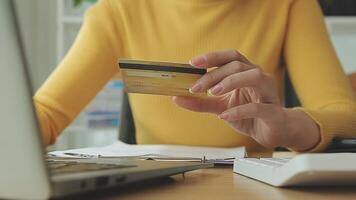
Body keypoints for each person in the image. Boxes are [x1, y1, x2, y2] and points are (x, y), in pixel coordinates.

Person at [34, 0, 356, 152]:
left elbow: (346, 116)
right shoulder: (118, 10)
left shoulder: (289, 5)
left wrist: (287, 126)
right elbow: (45, 114)